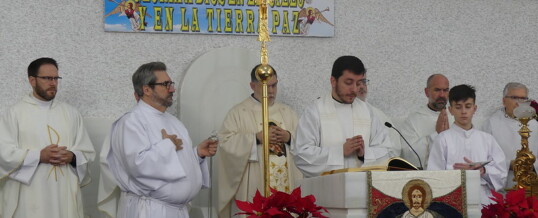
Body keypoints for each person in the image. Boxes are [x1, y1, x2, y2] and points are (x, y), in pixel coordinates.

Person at [106, 62, 218, 218]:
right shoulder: (131, 121)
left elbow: (176, 162)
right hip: (150, 209)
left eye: (171, 84)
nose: (172, 89)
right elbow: (138, 165)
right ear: (146, 89)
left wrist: (197, 154)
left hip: (176, 210)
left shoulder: (174, 122)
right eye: (166, 84)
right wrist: (168, 145)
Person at [0, 57, 95, 218]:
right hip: (29, 194)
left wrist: (72, 157)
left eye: (56, 78)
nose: (53, 83)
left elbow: (87, 152)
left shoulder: (71, 114)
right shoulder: (14, 113)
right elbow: (4, 154)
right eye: (47, 78)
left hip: (63, 193)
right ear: (32, 80)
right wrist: (38, 156)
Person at [217, 64, 303, 217]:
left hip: (286, 187)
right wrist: (255, 138)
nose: (270, 91)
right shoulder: (238, 113)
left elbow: (305, 144)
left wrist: (288, 137)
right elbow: (225, 144)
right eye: (265, 87)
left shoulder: (288, 112)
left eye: (274, 85)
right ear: (252, 86)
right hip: (254, 188)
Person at [293, 55, 395, 178]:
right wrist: (340, 152)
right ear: (333, 81)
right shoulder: (315, 112)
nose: (354, 89)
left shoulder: (368, 111)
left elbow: (387, 152)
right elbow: (301, 155)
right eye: (348, 82)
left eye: (359, 83)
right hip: (327, 192)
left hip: (363, 190)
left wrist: (364, 154)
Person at [427, 84, 507, 205]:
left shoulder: (487, 139)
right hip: (453, 198)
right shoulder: (443, 139)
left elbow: (501, 174)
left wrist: (483, 170)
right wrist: (460, 174)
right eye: (458, 107)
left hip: (483, 198)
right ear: (450, 110)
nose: (463, 112)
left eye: (468, 106)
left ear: (474, 109)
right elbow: (434, 175)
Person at [481, 82, 538, 189]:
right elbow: (484, 158)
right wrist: (509, 164)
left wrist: (531, 164)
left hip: (530, 186)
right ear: (504, 101)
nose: (519, 103)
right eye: (515, 98)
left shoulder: (534, 125)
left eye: (523, 99)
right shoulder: (491, 124)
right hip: (502, 186)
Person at [400, 74, 453, 169]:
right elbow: (407, 154)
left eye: (445, 90)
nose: (442, 95)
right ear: (427, 92)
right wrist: (436, 135)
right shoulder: (413, 120)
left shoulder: (455, 117)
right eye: (437, 90)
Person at [357, 76, 402, 157]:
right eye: (357, 83)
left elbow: (393, 149)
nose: (362, 86)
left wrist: (365, 154)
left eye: (364, 82)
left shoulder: (378, 115)